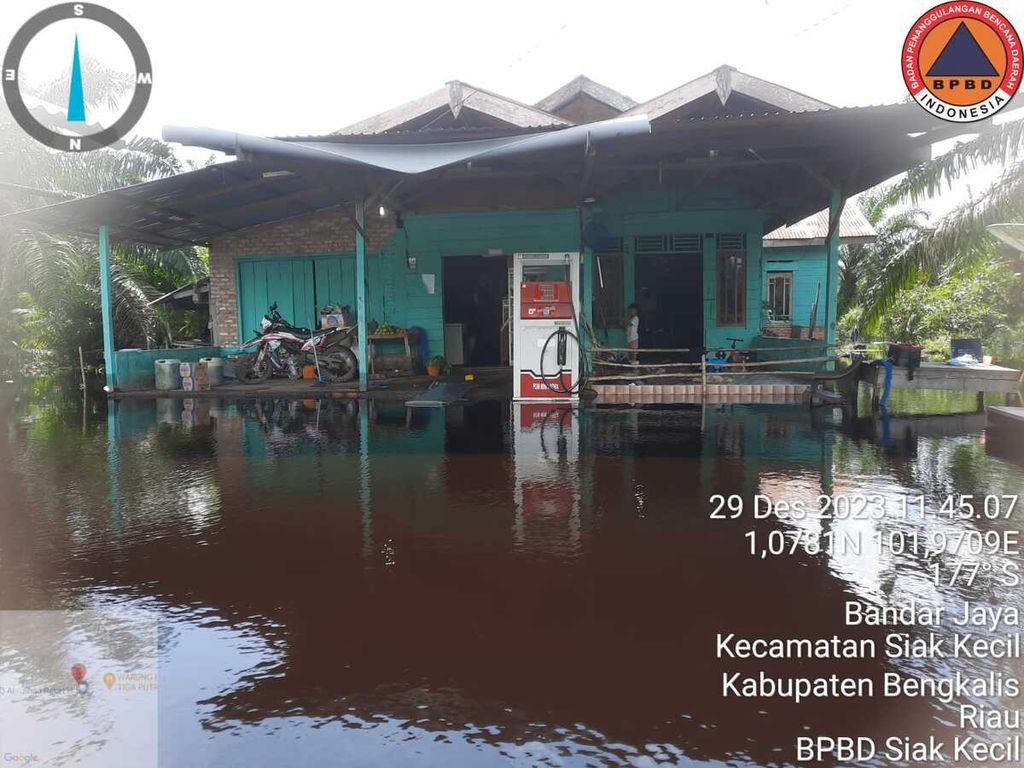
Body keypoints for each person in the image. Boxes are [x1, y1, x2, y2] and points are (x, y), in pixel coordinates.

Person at [626, 303, 640, 367]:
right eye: (630, 311)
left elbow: (629, 324)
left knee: (634, 351)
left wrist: (623, 321)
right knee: (630, 351)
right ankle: (631, 363)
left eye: (632, 310)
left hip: (634, 338)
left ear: (636, 311)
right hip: (629, 338)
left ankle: (634, 363)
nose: (631, 312)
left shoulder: (636, 318)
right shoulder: (631, 319)